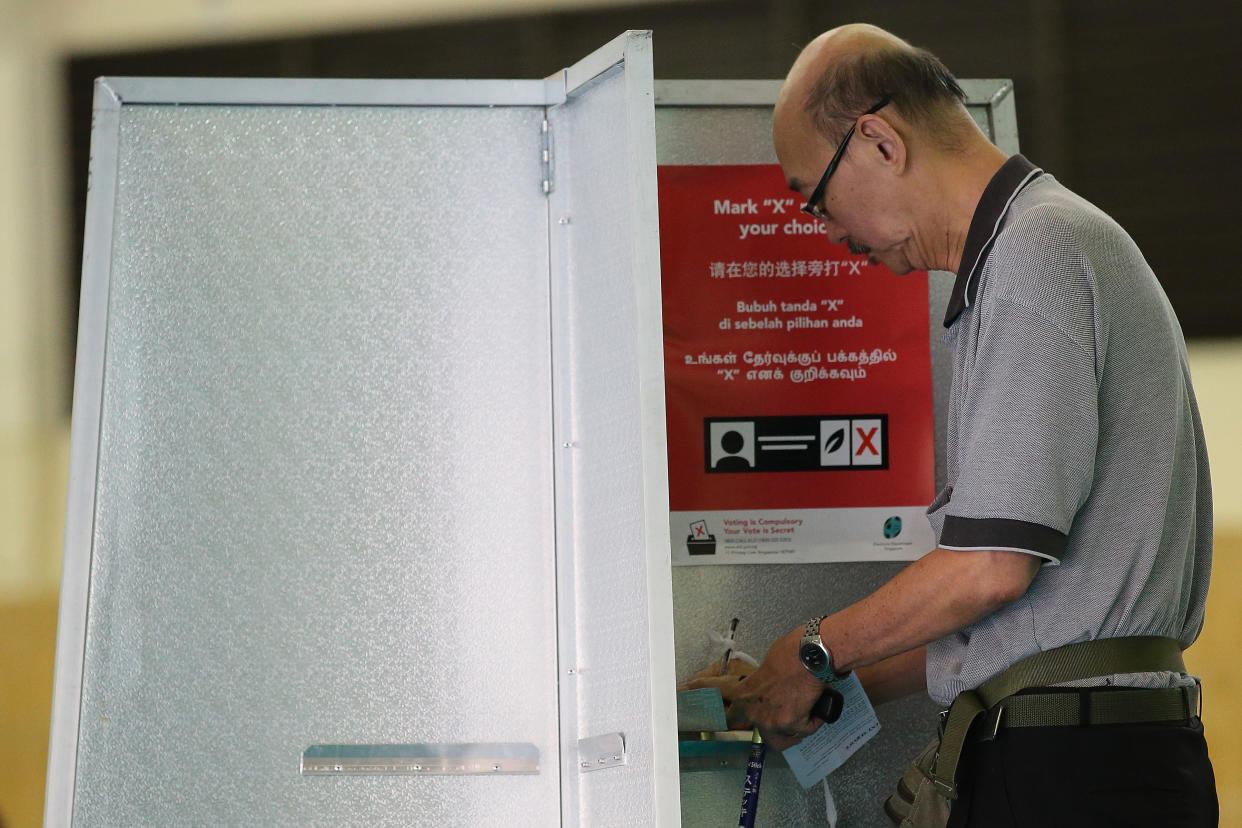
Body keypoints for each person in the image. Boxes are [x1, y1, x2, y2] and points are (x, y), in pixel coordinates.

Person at [688, 23, 1217, 826]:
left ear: (877, 141)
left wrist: (813, 646)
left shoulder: (1036, 255)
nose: (826, 232)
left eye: (815, 197)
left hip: (1075, 771)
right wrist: (794, 686)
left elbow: (990, 570)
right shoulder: (1035, 252)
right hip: (1084, 758)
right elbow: (1010, 618)